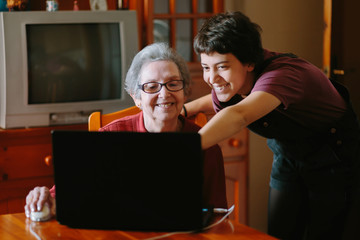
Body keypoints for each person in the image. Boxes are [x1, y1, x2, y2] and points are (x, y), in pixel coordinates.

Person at [183, 11, 360, 240]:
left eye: (222, 66)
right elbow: (223, 101)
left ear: (249, 62)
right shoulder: (231, 83)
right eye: (206, 67)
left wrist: (182, 151)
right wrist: (188, 108)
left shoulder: (282, 75)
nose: (212, 78)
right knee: (278, 233)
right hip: (288, 154)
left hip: (334, 155)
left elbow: (239, 114)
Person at [24, 42, 227, 220]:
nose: (165, 94)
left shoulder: (207, 145)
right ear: (136, 98)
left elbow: (219, 217)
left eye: (173, 84)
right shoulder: (107, 138)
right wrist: (43, 198)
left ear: (184, 91)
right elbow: (62, 197)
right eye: (151, 87)